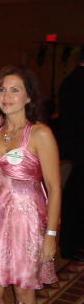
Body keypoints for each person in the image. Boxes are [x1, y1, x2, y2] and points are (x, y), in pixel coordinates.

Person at [0, 65, 60, 304]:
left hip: (27, 224)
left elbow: (54, 188)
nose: (7, 95)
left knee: (24, 293)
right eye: (3, 90)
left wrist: (50, 235)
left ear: (28, 97)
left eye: (15, 90)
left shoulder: (40, 133)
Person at [58, 45, 84, 262]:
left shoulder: (71, 79)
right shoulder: (79, 80)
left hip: (73, 146)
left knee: (74, 198)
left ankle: (72, 243)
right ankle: (71, 245)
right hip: (79, 148)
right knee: (75, 199)